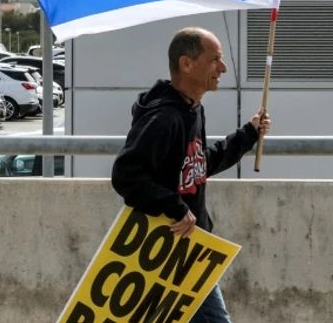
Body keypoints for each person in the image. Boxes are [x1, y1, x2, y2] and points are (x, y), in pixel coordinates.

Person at [111, 27, 271, 322]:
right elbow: (126, 175)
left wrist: (248, 135)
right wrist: (175, 206)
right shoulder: (165, 118)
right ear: (187, 64)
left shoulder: (191, 110)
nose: (222, 68)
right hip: (168, 250)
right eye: (215, 60)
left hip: (188, 249)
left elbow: (198, 165)